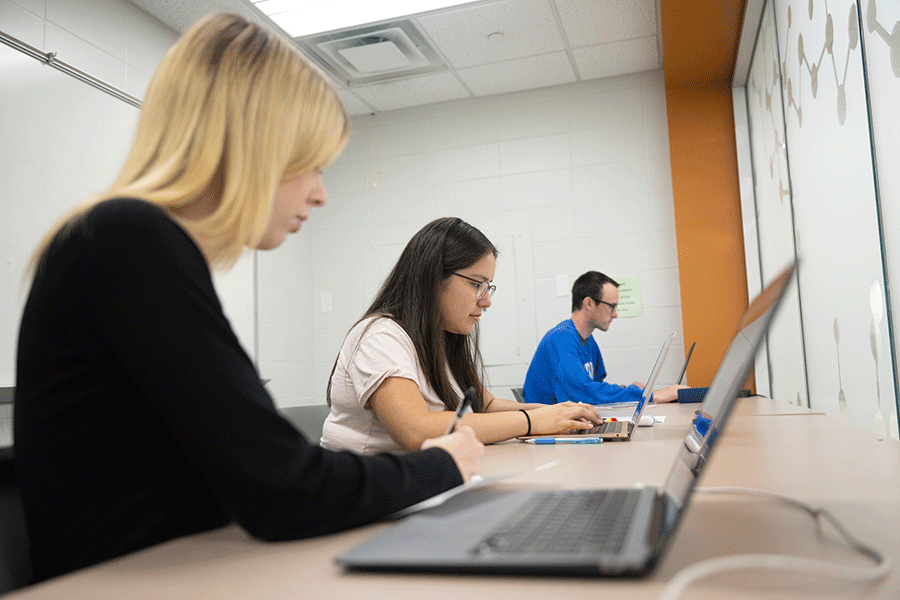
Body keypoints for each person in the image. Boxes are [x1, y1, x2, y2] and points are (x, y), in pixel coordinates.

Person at [13, 13, 482, 583]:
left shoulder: (132, 243)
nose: (320, 193)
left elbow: (266, 473)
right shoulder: (130, 240)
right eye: (308, 164)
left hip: (180, 566)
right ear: (251, 147)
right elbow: (285, 488)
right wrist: (443, 466)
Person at [321, 217, 602, 453]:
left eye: (488, 287)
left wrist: (557, 412)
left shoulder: (437, 338)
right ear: (432, 277)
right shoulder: (381, 336)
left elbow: (486, 404)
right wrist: (534, 420)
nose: (486, 301)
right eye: (477, 284)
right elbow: (416, 430)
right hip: (368, 498)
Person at [523, 271, 686, 405]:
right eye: (611, 307)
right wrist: (650, 395)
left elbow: (596, 387)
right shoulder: (561, 338)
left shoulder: (588, 341)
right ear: (588, 303)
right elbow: (583, 391)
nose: (615, 314)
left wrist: (626, 390)